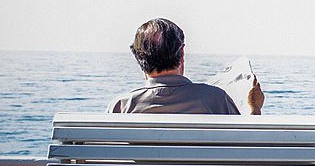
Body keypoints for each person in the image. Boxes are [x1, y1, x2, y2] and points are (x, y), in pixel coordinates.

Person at [107, 18, 265, 114]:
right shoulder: (215, 100)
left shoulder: (122, 106)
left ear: (138, 58)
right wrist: (255, 109)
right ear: (182, 53)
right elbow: (241, 148)